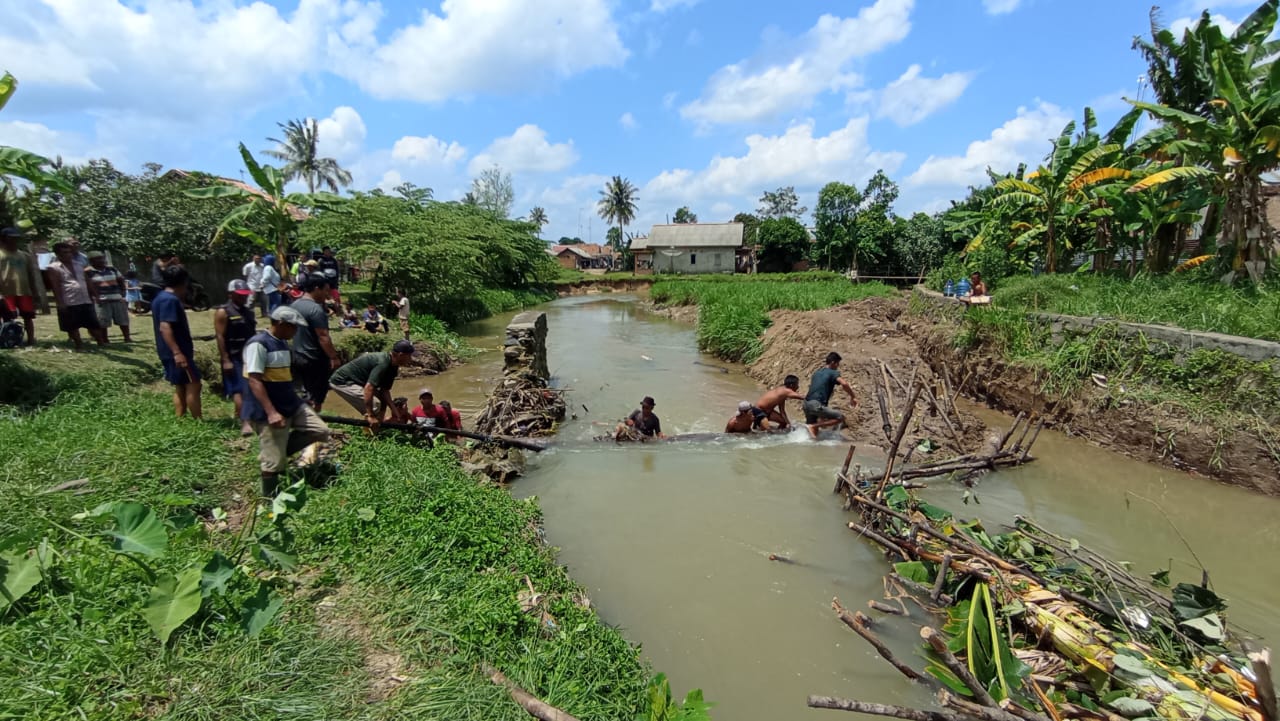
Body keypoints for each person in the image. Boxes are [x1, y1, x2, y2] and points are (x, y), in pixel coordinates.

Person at [242, 305, 332, 496]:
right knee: (273, 463)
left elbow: (283, 378)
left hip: (291, 403)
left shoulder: (283, 343)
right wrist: (271, 412)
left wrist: (300, 398)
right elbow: (254, 380)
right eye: (294, 327)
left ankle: (278, 452)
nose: (296, 331)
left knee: (320, 430)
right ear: (281, 324)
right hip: (269, 408)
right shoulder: (259, 345)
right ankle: (270, 501)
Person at [328, 339, 417, 430]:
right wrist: (370, 415)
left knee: (383, 401)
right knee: (375, 404)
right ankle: (369, 435)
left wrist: (395, 412)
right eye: (409, 356)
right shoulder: (383, 363)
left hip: (359, 382)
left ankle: (379, 428)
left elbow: (384, 391)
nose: (411, 359)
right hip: (342, 381)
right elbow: (369, 388)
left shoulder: (393, 367)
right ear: (400, 355)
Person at [153, 264, 202, 419]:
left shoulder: (160, 297)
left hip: (167, 351)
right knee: (194, 384)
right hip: (177, 352)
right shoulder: (170, 300)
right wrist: (177, 352)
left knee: (180, 386)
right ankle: (198, 421)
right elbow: (165, 327)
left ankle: (180, 418)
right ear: (184, 281)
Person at [290, 274, 341, 412]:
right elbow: (323, 336)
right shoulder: (315, 309)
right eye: (326, 290)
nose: (327, 294)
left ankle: (304, 420)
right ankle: (315, 422)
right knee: (317, 395)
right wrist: (334, 357)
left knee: (304, 392)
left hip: (297, 355)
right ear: (317, 288)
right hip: (314, 358)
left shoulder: (294, 305)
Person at [215, 279, 258, 435]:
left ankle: (242, 416)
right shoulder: (224, 312)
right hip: (233, 356)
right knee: (240, 390)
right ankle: (245, 423)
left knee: (251, 387)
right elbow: (220, 336)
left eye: (245, 295)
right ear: (230, 294)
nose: (243, 298)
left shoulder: (248, 312)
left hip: (249, 355)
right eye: (240, 295)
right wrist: (226, 360)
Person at [46, 241, 104, 351]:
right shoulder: (53, 268)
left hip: (85, 298)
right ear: (58, 254)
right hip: (69, 299)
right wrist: (60, 302)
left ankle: (101, 343)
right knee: (72, 326)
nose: (68, 254)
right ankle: (79, 344)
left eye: (69, 252)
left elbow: (87, 281)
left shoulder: (79, 264)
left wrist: (96, 295)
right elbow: (55, 286)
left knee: (93, 323)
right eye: (65, 252)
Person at [0, 227, 40, 346]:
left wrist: (35, 291)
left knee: (28, 316)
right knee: (8, 317)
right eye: (11, 238)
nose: (14, 240)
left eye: (16, 238)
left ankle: (31, 339)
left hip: (24, 291)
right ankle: (7, 339)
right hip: (6, 291)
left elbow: (31, 275)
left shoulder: (25, 255)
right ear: (4, 239)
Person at [803, 352, 858, 438]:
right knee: (840, 417)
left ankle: (813, 438)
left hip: (806, 404)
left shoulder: (817, 373)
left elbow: (817, 388)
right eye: (837, 364)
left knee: (811, 435)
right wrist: (853, 396)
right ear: (833, 362)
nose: (837, 366)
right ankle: (814, 426)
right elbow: (844, 384)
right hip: (815, 405)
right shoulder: (833, 372)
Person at [85, 251, 132, 343]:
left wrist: (123, 295)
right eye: (98, 259)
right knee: (103, 321)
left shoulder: (112, 269)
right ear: (91, 261)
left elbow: (121, 281)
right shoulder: (88, 272)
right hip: (101, 300)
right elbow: (87, 287)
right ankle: (105, 339)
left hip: (117, 298)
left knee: (123, 319)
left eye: (102, 258)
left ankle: (127, 338)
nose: (102, 261)